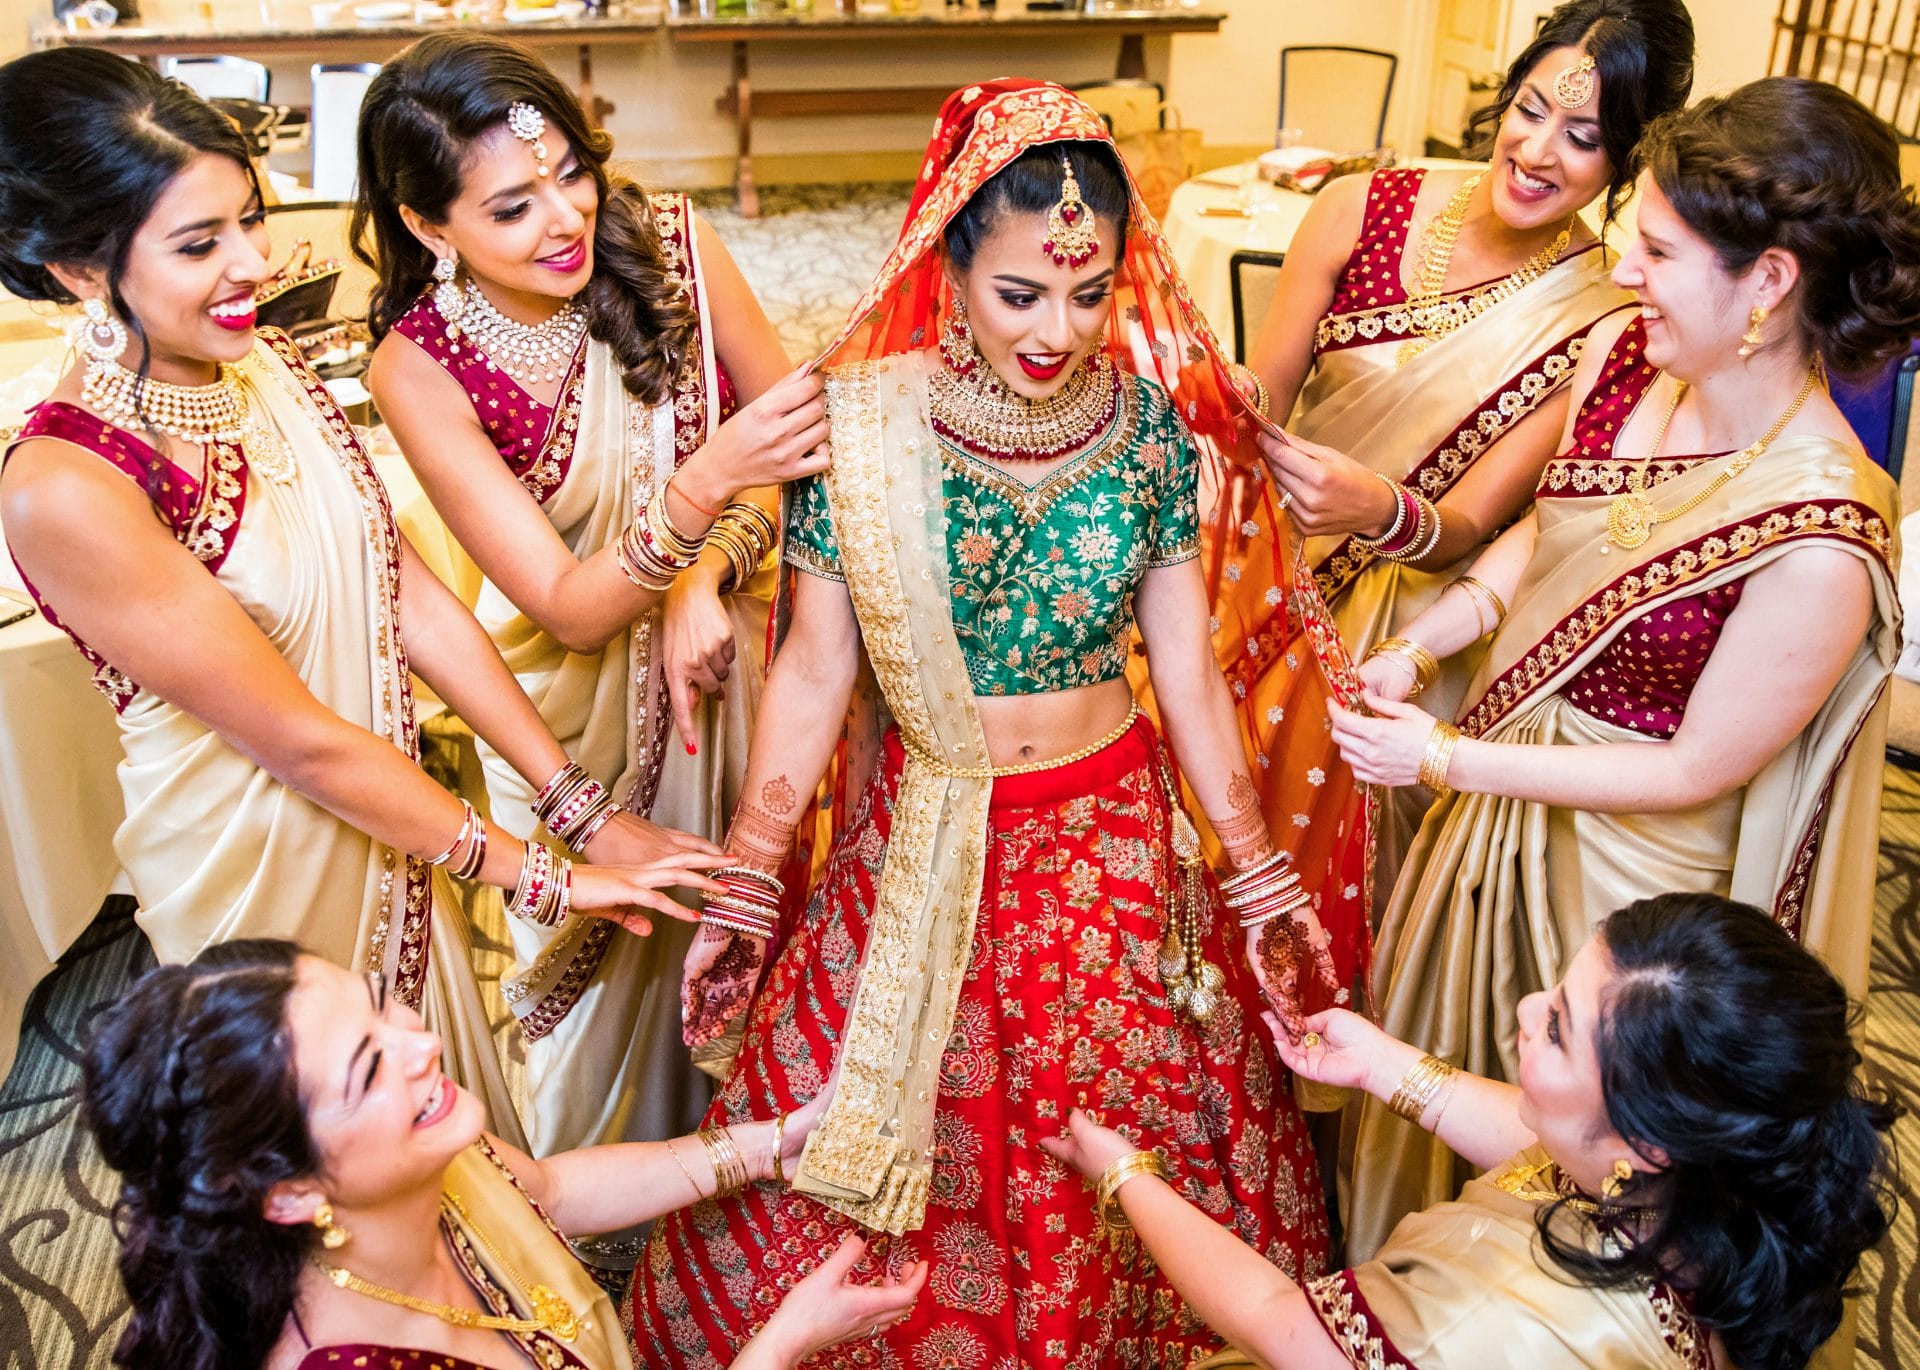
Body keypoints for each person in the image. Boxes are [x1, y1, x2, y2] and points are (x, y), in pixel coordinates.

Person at [637, 80, 1372, 1368]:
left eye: (1090, 297)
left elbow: (1185, 668)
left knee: (1126, 1129)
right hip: (929, 835)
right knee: (899, 1133)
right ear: (952, 255)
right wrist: (751, 877)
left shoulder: (1145, 428)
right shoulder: (860, 429)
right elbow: (816, 668)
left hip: (1114, 838)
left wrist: (1257, 872)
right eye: (1022, 294)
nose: (1059, 331)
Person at [0, 48, 721, 1149]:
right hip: (263, 876)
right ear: (78, 272)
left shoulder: (257, 363)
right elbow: (306, 747)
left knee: (448, 1146)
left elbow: (406, 595)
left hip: (395, 833)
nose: (253, 261)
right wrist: (544, 878)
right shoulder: (68, 483)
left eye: (249, 217)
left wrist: (578, 806)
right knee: (325, 1189)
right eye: (201, 244)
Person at [1329, 75, 1918, 1260]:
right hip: (1493, 814)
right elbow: (1541, 537)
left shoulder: (1823, 527)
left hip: (1630, 904)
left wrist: (1445, 754)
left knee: (1591, 1175)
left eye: (1654, 248)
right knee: (1439, 1090)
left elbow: (1700, 765)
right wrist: (1418, 644)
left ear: (1766, 283)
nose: (1625, 270)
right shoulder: (1621, 362)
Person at [354, 32, 823, 1224]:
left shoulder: (679, 247)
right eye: (512, 205)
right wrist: (705, 481)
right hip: (566, 723)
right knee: (592, 1021)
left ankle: (760, 1212)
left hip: (747, 666)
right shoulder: (418, 365)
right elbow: (563, 602)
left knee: (777, 956)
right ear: (427, 227)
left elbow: (797, 456)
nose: (564, 216)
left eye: (571, 171)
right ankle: (612, 1247)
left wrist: (701, 575)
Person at [1042, 892, 1899, 1370]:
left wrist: (1125, 1174)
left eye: (1558, 1027)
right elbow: (1549, 1154)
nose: (1528, 1009)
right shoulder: (1727, 1198)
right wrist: (1382, 1066)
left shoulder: (1484, 1324)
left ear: (1647, 1141)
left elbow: (1277, 1321)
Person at [1239, 0, 1694, 887]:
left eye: (1583, 137)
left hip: (1422, 610)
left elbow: (1468, 524)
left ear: (1629, 158)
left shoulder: (1602, 316)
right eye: (1529, 110)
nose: (1534, 152)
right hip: (1275, 551)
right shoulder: (1356, 208)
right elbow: (1264, 400)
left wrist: (1374, 506)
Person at [80, 938, 927, 1370]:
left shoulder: (419, 1157)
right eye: (370, 1067)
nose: (421, 1044)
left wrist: (768, 1145)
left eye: (384, 1007)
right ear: (288, 1194)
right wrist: (781, 1345)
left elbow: (549, 1192)